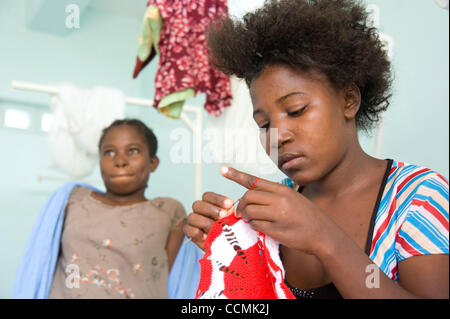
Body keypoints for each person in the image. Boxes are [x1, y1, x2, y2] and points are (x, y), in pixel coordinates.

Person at [184, 0, 449, 298]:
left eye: (296, 110)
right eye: (263, 124)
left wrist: (326, 239)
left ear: (348, 100)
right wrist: (235, 256)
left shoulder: (418, 197)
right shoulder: (271, 209)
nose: (278, 135)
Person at [47, 119, 186, 298]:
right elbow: (43, 261)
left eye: (133, 151)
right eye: (109, 152)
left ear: (153, 162)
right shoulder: (73, 200)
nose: (120, 161)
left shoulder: (168, 212)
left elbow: (173, 282)